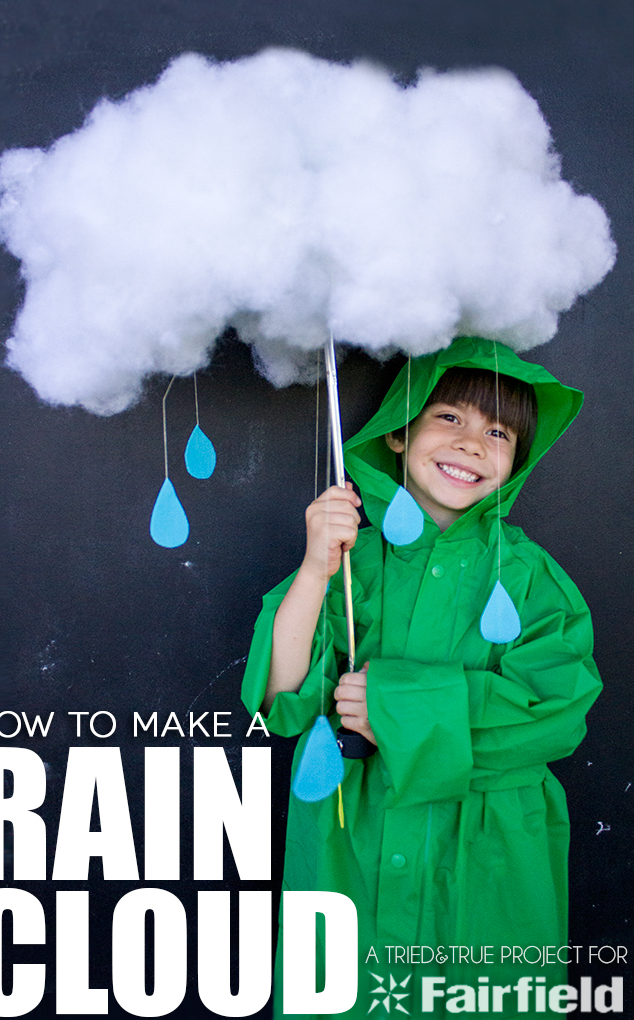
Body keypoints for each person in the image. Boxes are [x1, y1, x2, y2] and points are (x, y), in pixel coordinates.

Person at [241, 336, 602, 1018]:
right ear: (400, 434)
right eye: (450, 417)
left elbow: (556, 711)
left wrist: (396, 706)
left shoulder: (532, 579)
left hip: (487, 847)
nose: (472, 443)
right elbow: (282, 698)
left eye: (498, 431)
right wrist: (315, 570)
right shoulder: (353, 563)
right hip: (358, 835)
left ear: (519, 458)